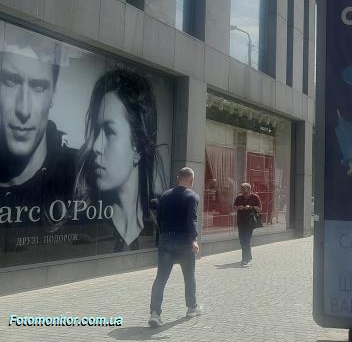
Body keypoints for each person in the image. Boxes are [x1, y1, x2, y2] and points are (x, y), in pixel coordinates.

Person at [74, 68, 166, 250]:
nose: (95, 146)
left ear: (137, 147)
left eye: (109, 131)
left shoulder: (158, 224)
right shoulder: (83, 230)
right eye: (96, 131)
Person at [0, 28, 76, 227]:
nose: (23, 109)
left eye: (38, 87)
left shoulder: (82, 177)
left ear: (53, 94)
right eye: (10, 81)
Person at [148, 167, 202, 327]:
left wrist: (164, 234)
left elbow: (159, 217)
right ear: (191, 180)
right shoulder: (192, 196)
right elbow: (191, 219)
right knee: (189, 275)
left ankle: (155, 313)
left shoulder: (165, 195)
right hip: (184, 240)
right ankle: (192, 308)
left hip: (166, 239)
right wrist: (194, 239)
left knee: (161, 277)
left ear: (178, 178)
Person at [233, 182, 262, 266]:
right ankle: (248, 257)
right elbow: (234, 207)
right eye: (241, 188)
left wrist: (251, 207)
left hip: (250, 222)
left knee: (246, 239)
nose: (242, 190)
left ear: (249, 189)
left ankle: (244, 258)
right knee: (242, 240)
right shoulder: (239, 197)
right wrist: (239, 207)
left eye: (244, 188)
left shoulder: (255, 197)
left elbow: (260, 209)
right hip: (241, 221)